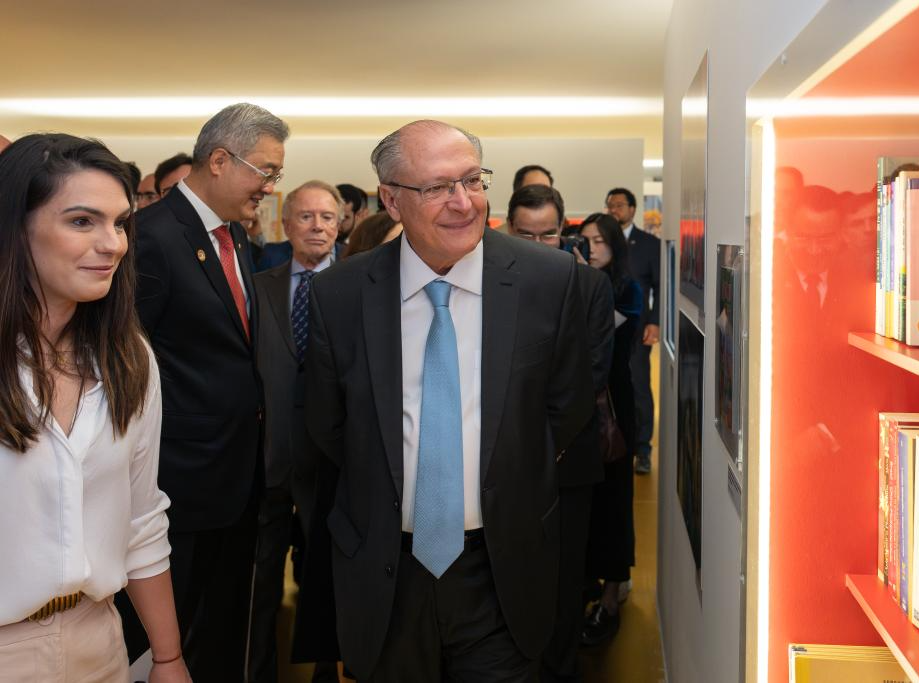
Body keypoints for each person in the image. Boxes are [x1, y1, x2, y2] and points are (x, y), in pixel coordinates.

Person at [300, 119, 593, 681]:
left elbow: (567, 407)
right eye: (437, 187)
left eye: (472, 180)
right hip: (386, 571)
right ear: (391, 199)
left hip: (501, 568)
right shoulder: (340, 293)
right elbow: (329, 426)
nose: (464, 202)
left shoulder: (548, 280)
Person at [0, 133, 188, 682]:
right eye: (82, 221)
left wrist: (168, 657)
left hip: (99, 639)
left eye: (120, 223)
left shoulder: (127, 357)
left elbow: (141, 520)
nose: (113, 244)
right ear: (15, 227)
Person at [121, 102, 289, 680]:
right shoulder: (150, 238)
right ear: (219, 160)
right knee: (159, 641)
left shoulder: (234, 235)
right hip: (177, 485)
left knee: (220, 635)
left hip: (236, 479)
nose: (271, 187)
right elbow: (126, 365)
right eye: (266, 171)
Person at [507, 185, 614, 682]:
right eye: (525, 235)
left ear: (564, 231)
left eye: (547, 234)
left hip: (566, 460)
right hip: (498, 463)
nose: (537, 245)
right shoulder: (484, 282)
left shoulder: (590, 286)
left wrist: (537, 446)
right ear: (508, 230)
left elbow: (591, 374)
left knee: (564, 576)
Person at [250, 180, 343, 683]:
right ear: (285, 226)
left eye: (327, 217)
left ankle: (329, 667)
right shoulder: (258, 287)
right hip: (269, 458)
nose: (317, 227)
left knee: (326, 574)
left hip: (333, 459)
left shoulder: (358, 285)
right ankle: (258, 668)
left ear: (341, 224)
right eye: (306, 217)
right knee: (261, 577)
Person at [578, 212, 642, 645]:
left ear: (616, 246)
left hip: (614, 409)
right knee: (583, 504)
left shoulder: (626, 288)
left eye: (601, 241)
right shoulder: (572, 281)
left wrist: (583, 281)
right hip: (579, 407)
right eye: (586, 240)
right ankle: (585, 584)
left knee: (616, 501)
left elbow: (598, 330)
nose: (593, 248)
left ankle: (612, 596)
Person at [605, 187, 660, 474]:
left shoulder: (649, 244)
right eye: (610, 205)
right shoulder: (601, 240)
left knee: (638, 387)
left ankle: (643, 448)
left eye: (619, 205)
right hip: (603, 327)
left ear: (632, 209)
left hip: (637, 329)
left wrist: (655, 322)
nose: (613, 210)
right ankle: (614, 444)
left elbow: (661, 286)